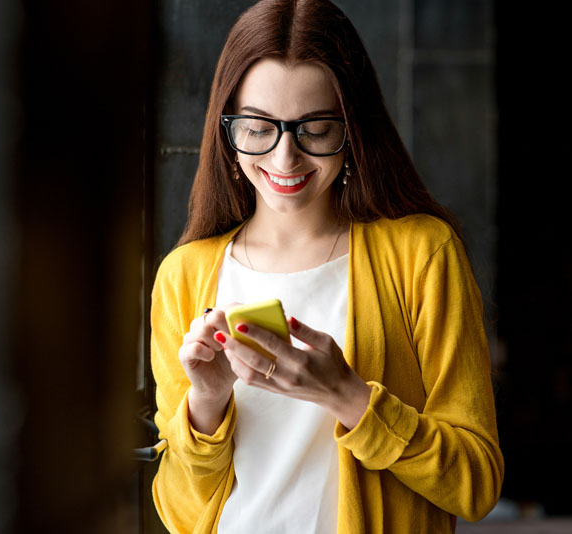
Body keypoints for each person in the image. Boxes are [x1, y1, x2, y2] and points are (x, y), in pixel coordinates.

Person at [149, 0, 504, 532]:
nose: (285, 159)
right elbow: (179, 513)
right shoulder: (184, 275)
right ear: (227, 129)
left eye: (314, 129)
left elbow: (475, 485)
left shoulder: (422, 255)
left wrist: (347, 395)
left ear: (353, 129)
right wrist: (207, 401)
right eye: (258, 127)